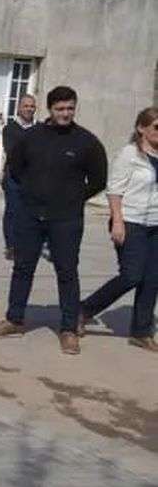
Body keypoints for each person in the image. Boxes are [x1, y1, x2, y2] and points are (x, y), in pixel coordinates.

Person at [0, 86, 107, 355]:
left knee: (67, 272)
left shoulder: (86, 141)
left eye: (70, 108)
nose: (65, 113)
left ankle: (68, 329)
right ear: (49, 109)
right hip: (31, 216)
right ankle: (15, 319)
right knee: (22, 268)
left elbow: (99, 180)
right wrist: (32, 194)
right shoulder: (32, 137)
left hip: (66, 219)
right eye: (60, 109)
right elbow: (15, 169)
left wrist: (74, 198)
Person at [78, 107, 158, 352]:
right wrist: (118, 221)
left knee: (152, 279)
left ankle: (141, 332)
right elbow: (115, 190)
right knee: (131, 275)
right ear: (141, 128)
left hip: (155, 223)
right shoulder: (129, 154)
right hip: (130, 221)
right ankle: (84, 309)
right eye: (156, 126)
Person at [0, 93, 38, 260]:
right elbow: (13, 152)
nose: (29, 109)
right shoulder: (10, 129)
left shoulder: (40, 128)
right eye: (26, 106)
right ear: (19, 108)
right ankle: (12, 246)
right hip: (14, 178)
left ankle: (30, 243)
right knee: (13, 211)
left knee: (32, 212)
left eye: (32, 106)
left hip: (34, 178)